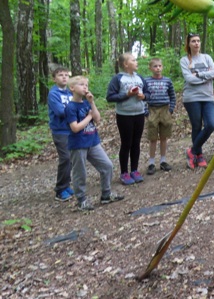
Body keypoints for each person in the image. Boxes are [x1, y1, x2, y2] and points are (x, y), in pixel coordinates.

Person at [65, 76, 124, 211]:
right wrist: (89, 117)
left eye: (86, 85)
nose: (85, 87)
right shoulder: (70, 107)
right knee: (80, 173)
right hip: (78, 144)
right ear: (72, 88)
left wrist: (92, 103)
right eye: (81, 85)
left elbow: (97, 119)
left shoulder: (86, 103)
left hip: (93, 141)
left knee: (107, 165)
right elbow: (75, 128)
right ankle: (81, 200)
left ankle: (106, 194)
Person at [106, 53, 148, 185]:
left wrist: (143, 96)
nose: (137, 62)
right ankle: (124, 172)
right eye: (134, 60)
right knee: (126, 143)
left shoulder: (140, 78)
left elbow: (148, 93)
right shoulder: (118, 79)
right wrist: (127, 94)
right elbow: (110, 97)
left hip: (139, 114)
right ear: (125, 64)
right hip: (124, 115)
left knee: (136, 143)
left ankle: (134, 170)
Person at [181, 32, 214, 169]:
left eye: (198, 41)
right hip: (192, 98)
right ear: (189, 44)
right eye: (193, 41)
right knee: (196, 126)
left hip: (207, 97)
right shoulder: (184, 60)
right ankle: (199, 155)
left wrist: (199, 74)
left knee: (210, 125)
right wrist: (206, 76)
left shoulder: (207, 58)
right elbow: (189, 79)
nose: (196, 43)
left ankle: (192, 151)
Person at [145, 57, 176, 175]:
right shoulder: (146, 81)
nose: (157, 68)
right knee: (153, 138)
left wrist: (171, 109)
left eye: (159, 66)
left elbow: (172, 96)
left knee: (164, 137)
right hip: (152, 110)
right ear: (150, 68)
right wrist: (146, 112)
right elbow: (143, 98)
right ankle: (151, 162)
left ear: (162, 67)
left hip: (165, 110)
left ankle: (163, 160)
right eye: (155, 66)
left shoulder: (167, 81)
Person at [48, 66, 74, 202]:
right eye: (60, 75)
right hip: (60, 131)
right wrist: (74, 111)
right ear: (54, 79)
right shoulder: (53, 94)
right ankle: (60, 190)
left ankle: (66, 185)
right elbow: (60, 112)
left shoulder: (70, 93)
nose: (64, 77)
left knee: (71, 159)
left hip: (71, 130)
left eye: (66, 75)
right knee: (65, 158)